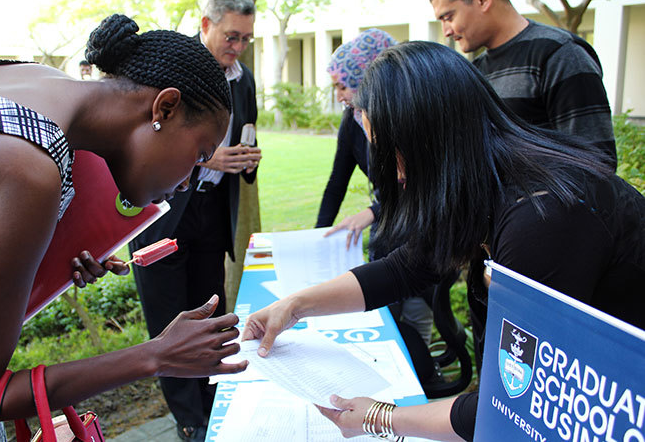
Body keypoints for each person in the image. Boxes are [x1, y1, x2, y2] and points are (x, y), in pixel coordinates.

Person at [243, 41, 645, 441]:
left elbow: (512, 400)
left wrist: (380, 417)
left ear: (430, 141)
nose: (397, 177)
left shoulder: (542, 220)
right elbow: (408, 267)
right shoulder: (489, 181)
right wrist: (295, 305)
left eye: (392, 155)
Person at [0, 14, 248, 441]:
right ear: (164, 107)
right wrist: (157, 355)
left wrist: (46, 253)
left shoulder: (26, 80)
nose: (185, 183)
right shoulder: (27, 170)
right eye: (200, 155)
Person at [128, 0, 261, 441]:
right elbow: (144, 141)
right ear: (206, 25)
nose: (237, 46)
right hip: (162, 214)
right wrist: (208, 158)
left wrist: (245, 161)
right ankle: (189, 422)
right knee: (169, 320)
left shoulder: (244, 78)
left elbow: (246, 131)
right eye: (231, 36)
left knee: (209, 310)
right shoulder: (170, 65)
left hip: (211, 213)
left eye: (245, 38)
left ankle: (213, 402)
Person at [315, 28, 436, 381]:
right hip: (389, 233)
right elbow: (337, 179)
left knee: (417, 308)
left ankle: (422, 378)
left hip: (419, 229)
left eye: (341, 85)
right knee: (388, 311)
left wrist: (373, 211)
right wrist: (317, 236)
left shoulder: (408, 116)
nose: (338, 95)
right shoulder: (352, 120)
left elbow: (420, 185)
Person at [429, 0, 617, 167]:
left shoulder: (559, 53)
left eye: (448, 17)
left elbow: (596, 161)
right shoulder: (475, 71)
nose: (446, 31)